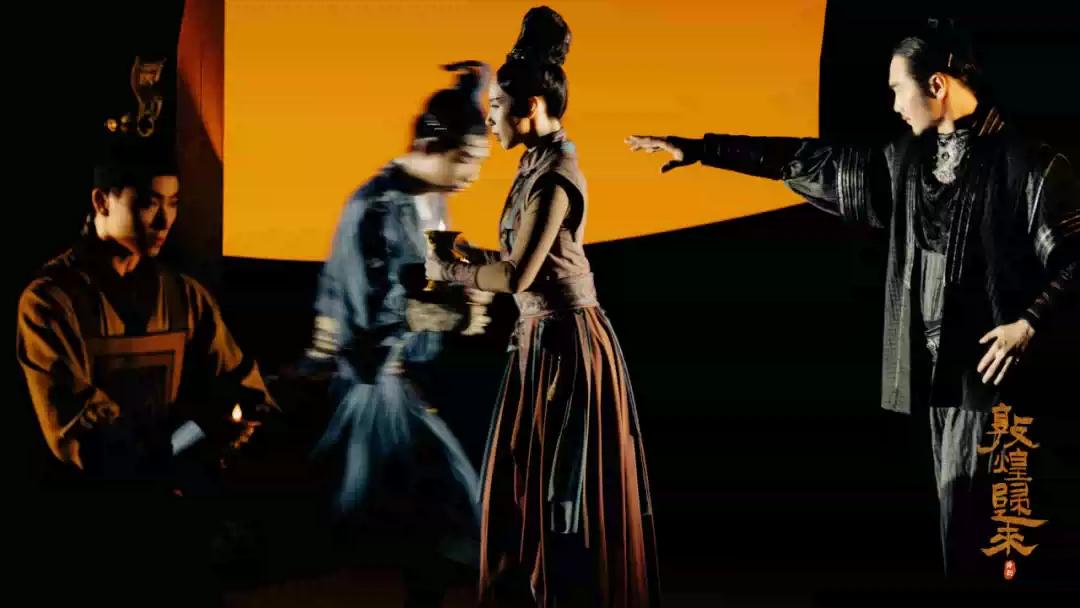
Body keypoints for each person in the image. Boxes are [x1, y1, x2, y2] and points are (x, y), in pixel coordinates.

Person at [626, 19, 1077, 582]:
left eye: (898, 89)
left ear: (937, 85)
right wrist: (703, 150)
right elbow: (809, 161)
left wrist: (1028, 324)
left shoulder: (1027, 165)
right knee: (960, 540)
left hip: (1002, 390)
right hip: (944, 384)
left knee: (1009, 547)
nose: (895, 105)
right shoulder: (907, 165)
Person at [427, 8, 659, 606]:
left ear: (530, 106)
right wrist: (469, 254)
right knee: (521, 491)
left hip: (567, 352)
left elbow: (519, 275)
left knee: (558, 498)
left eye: (497, 107)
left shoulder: (555, 174)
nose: (489, 118)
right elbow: (526, 260)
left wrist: (450, 271)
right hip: (539, 345)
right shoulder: (534, 164)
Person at [17, 128, 273, 604]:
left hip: (178, 520)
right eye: (149, 203)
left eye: (173, 204)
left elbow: (244, 385)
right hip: (86, 525)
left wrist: (237, 417)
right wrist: (168, 456)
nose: (164, 220)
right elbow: (75, 426)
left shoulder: (185, 297)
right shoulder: (51, 301)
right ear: (101, 201)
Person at [303, 61, 493, 607]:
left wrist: (472, 86)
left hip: (402, 382)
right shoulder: (375, 209)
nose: (475, 174)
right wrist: (452, 314)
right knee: (445, 511)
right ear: (432, 147)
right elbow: (368, 317)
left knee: (434, 524)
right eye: (467, 159)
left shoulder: (431, 193)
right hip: (369, 388)